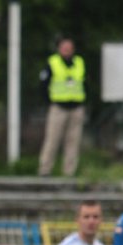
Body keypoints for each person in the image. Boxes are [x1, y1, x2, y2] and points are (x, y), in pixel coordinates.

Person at [38, 37, 86, 177]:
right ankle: (45, 170)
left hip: (76, 107)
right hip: (58, 107)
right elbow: (43, 84)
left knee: (73, 141)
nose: (67, 51)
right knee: (52, 139)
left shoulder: (79, 62)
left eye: (69, 48)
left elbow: (85, 83)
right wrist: (49, 101)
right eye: (64, 48)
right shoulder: (53, 62)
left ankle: (69, 172)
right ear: (59, 49)